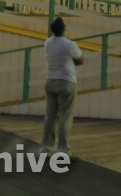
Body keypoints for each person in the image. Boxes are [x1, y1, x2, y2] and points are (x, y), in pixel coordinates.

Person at [42, 17, 83, 155]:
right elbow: (80, 60)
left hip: (50, 80)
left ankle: (46, 148)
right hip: (66, 81)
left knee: (50, 116)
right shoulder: (70, 45)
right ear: (64, 28)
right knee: (65, 117)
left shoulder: (47, 43)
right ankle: (63, 150)